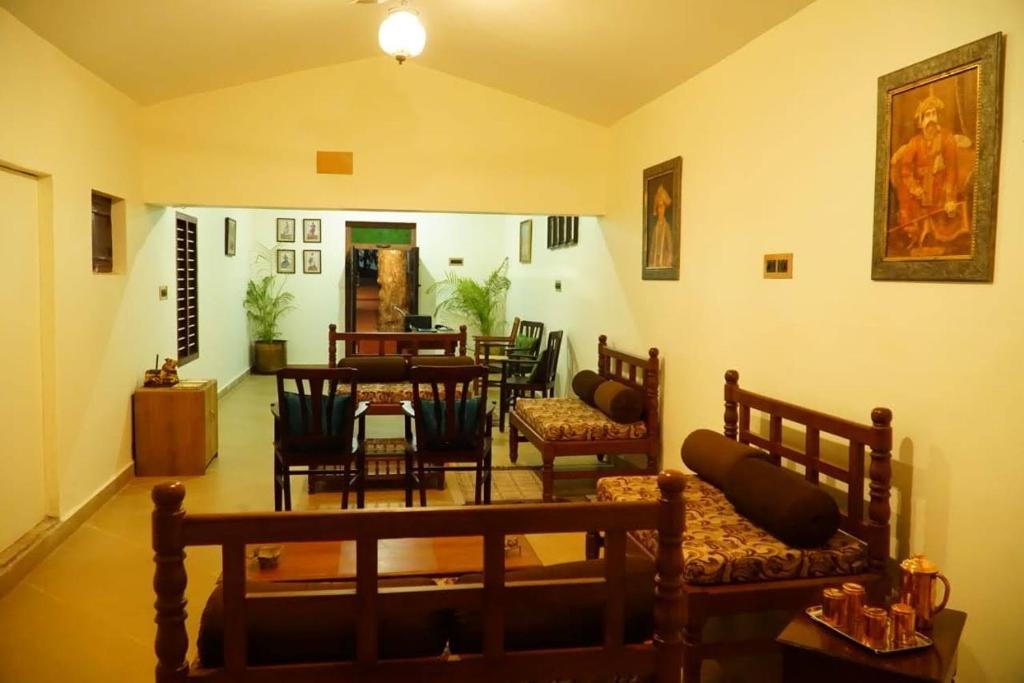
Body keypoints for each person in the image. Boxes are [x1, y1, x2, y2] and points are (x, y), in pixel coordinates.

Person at [889, 92, 970, 256]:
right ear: (921, 121)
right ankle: (918, 238)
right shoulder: (915, 142)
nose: (931, 119)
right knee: (910, 207)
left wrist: (950, 199)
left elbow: (952, 170)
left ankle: (933, 240)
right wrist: (915, 188)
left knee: (944, 215)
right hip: (919, 192)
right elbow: (906, 170)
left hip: (940, 190)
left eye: (934, 114)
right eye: (927, 115)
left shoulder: (947, 139)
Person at [647, 183, 674, 268]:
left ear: (664, 209)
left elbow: (670, 248)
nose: (660, 210)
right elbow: (652, 249)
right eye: (659, 207)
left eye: (662, 207)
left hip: (664, 262)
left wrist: (669, 260)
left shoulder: (667, 227)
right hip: (655, 262)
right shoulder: (656, 228)